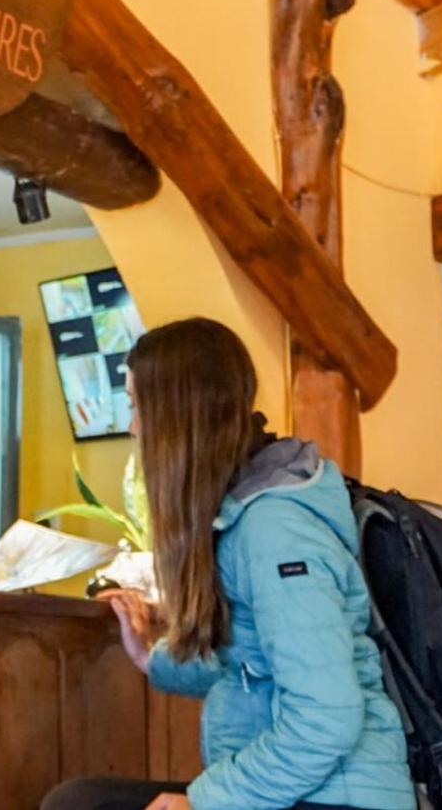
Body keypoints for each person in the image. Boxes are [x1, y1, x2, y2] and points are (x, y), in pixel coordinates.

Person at [43, 318, 412, 810]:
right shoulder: (240, 514)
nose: (132, 427)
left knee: (78, 805)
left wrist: (205, 801)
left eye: (136, 407)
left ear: (178, 415)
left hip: (337, 796)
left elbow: (328, 716)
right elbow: (246, 664)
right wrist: (149, 659)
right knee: (79, 801)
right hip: (304, 792)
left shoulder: (274, 531)